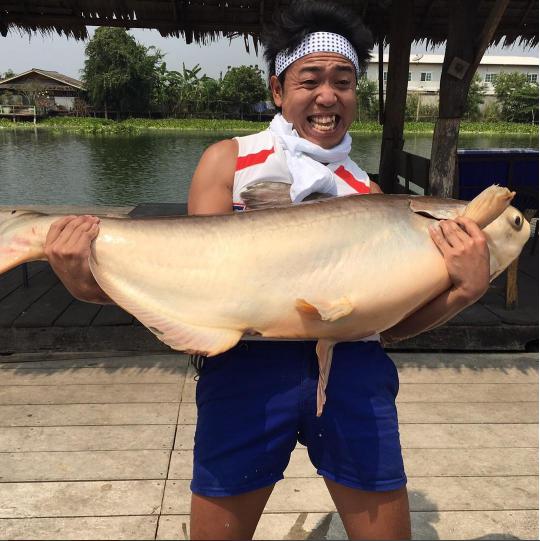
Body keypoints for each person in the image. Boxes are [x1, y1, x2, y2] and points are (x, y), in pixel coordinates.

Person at [44, 2, 490, 539]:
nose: (328, 96)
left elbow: (388, 326)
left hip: (352, 376)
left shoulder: (371, 196)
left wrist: (464, 290)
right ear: (278, 90)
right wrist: (84, 283)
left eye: (344, 81)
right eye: (311, 79)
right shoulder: (227, 162)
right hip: (244, 376)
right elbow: (189, 290)